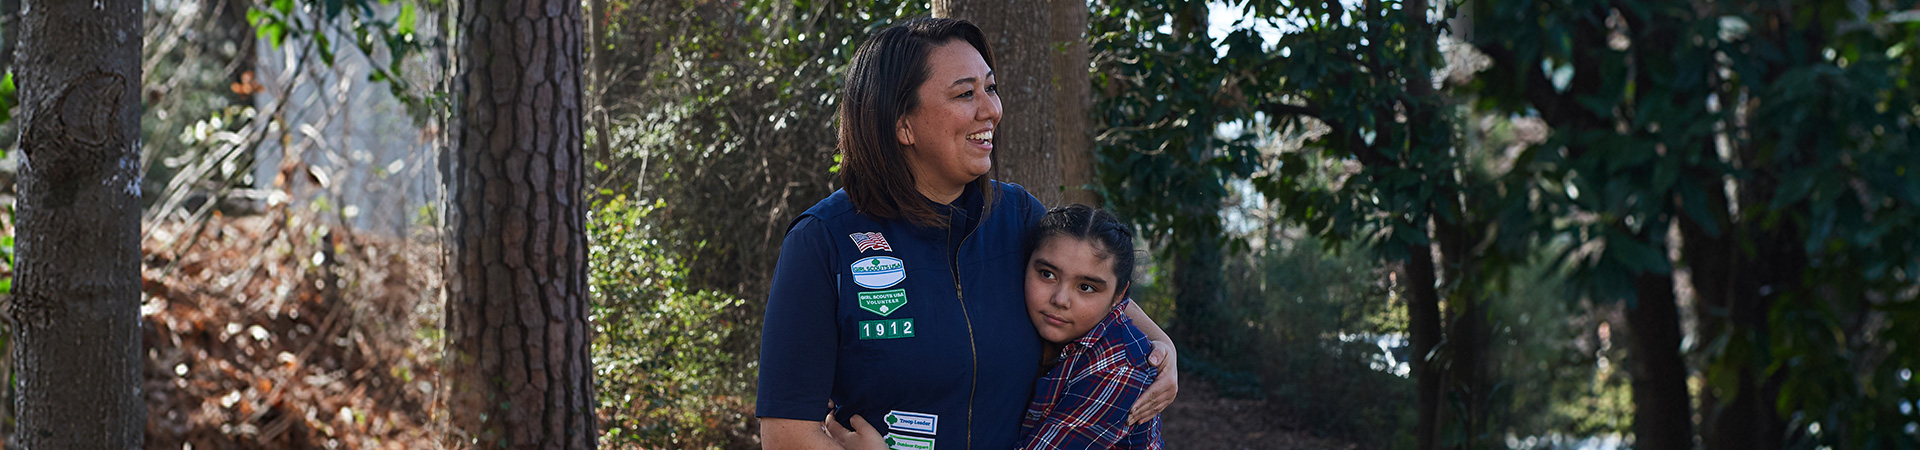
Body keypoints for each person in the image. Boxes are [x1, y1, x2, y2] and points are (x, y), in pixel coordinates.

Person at [756, 18, 1178, 450]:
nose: (991, 109)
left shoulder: (1017, 216)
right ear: (903, 125)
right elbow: (786, 433)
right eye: (965, 94)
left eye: (990, 89)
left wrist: (1163, 347)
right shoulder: (823, 240)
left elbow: (1103, 299)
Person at [829, 204, 1166, 450]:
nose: (1060, 299)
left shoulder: (1119, 368)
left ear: (1120, 296)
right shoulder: (1046, 330)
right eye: (1047, 274)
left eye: (1087, 287)